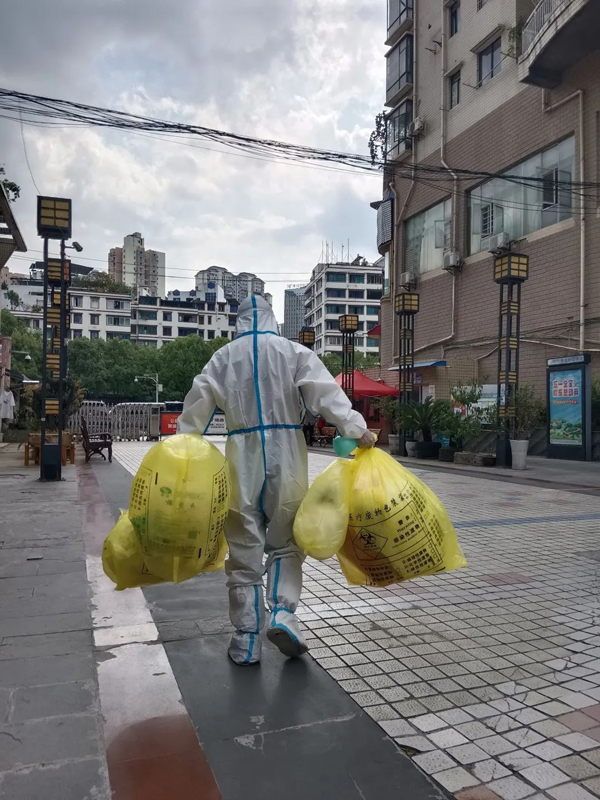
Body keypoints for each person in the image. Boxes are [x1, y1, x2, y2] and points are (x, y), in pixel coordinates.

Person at [178, 296, 375, 665]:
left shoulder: (222, 358)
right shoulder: (293, 352)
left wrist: (182, 453)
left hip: (241, 453)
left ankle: (246, 641)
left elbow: (194, 411)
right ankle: (283, 614)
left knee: (244, 546)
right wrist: (355, 428)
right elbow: (325, 393)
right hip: (287, 452)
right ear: (271, 319)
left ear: (239, 321)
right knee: (287, 540)